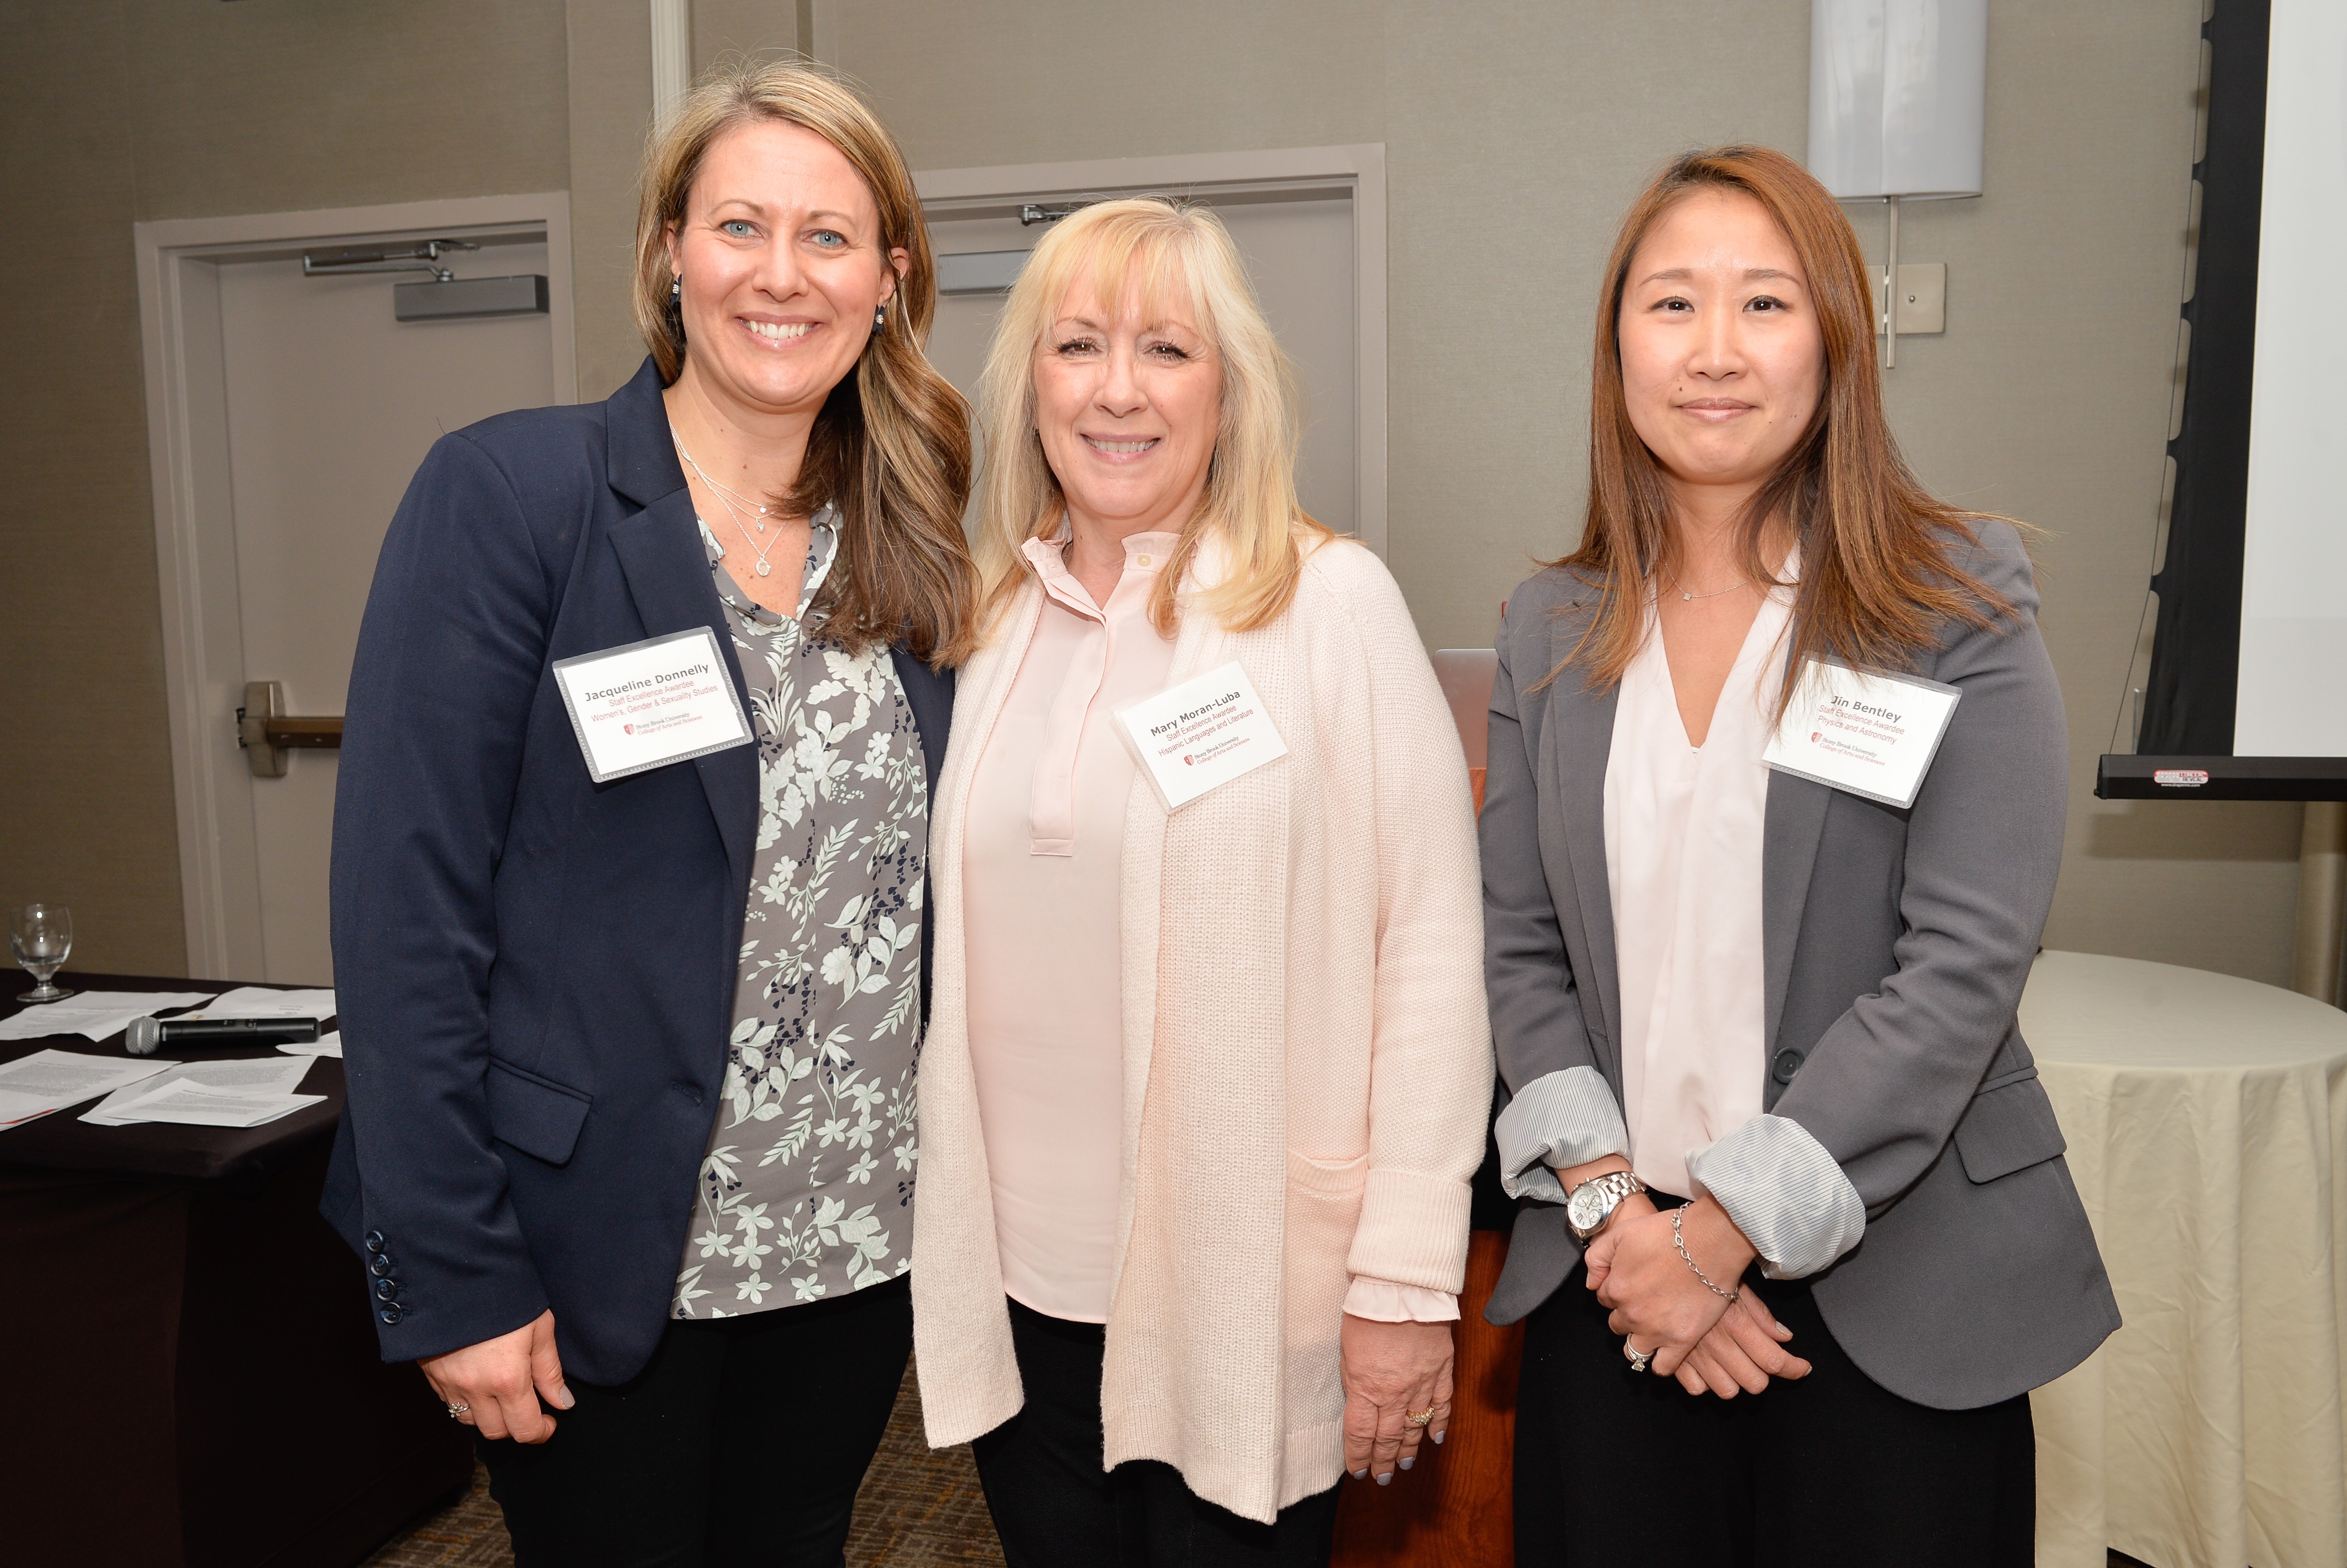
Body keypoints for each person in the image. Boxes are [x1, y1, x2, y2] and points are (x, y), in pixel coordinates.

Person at [321, 60, 977, 1564]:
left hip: (850, 1240)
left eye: (829, 237)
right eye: (739, 224)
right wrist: (455, 1271)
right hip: (596, 1240)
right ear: (670, 253)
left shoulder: (916, 525)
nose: (780, 273)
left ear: (888, 281)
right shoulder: (516, 495)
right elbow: (403, 916)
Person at [1481, 145, 2119, 1566]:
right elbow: (1515, 947)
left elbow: (1959, 964)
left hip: (1896, 1296)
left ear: (1835, 339)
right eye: (1671, 306)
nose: (1715, 352)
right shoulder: (1548, 626)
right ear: (1615, 346)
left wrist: (1719, 1237)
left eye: (1764, 305)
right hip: (1617, 1286)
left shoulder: (1953, 598)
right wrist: (1622, 1224)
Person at [907, 198, 1493, 1566]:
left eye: (1166, 350)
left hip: (1244, 1286)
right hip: (1017, 1288)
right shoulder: (984, 616)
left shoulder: (1327, 605)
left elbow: (1428, 950)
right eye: (1079, 346)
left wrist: (1403, 1277)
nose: (1118, 391)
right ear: (1029, 385)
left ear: (1228, 389)